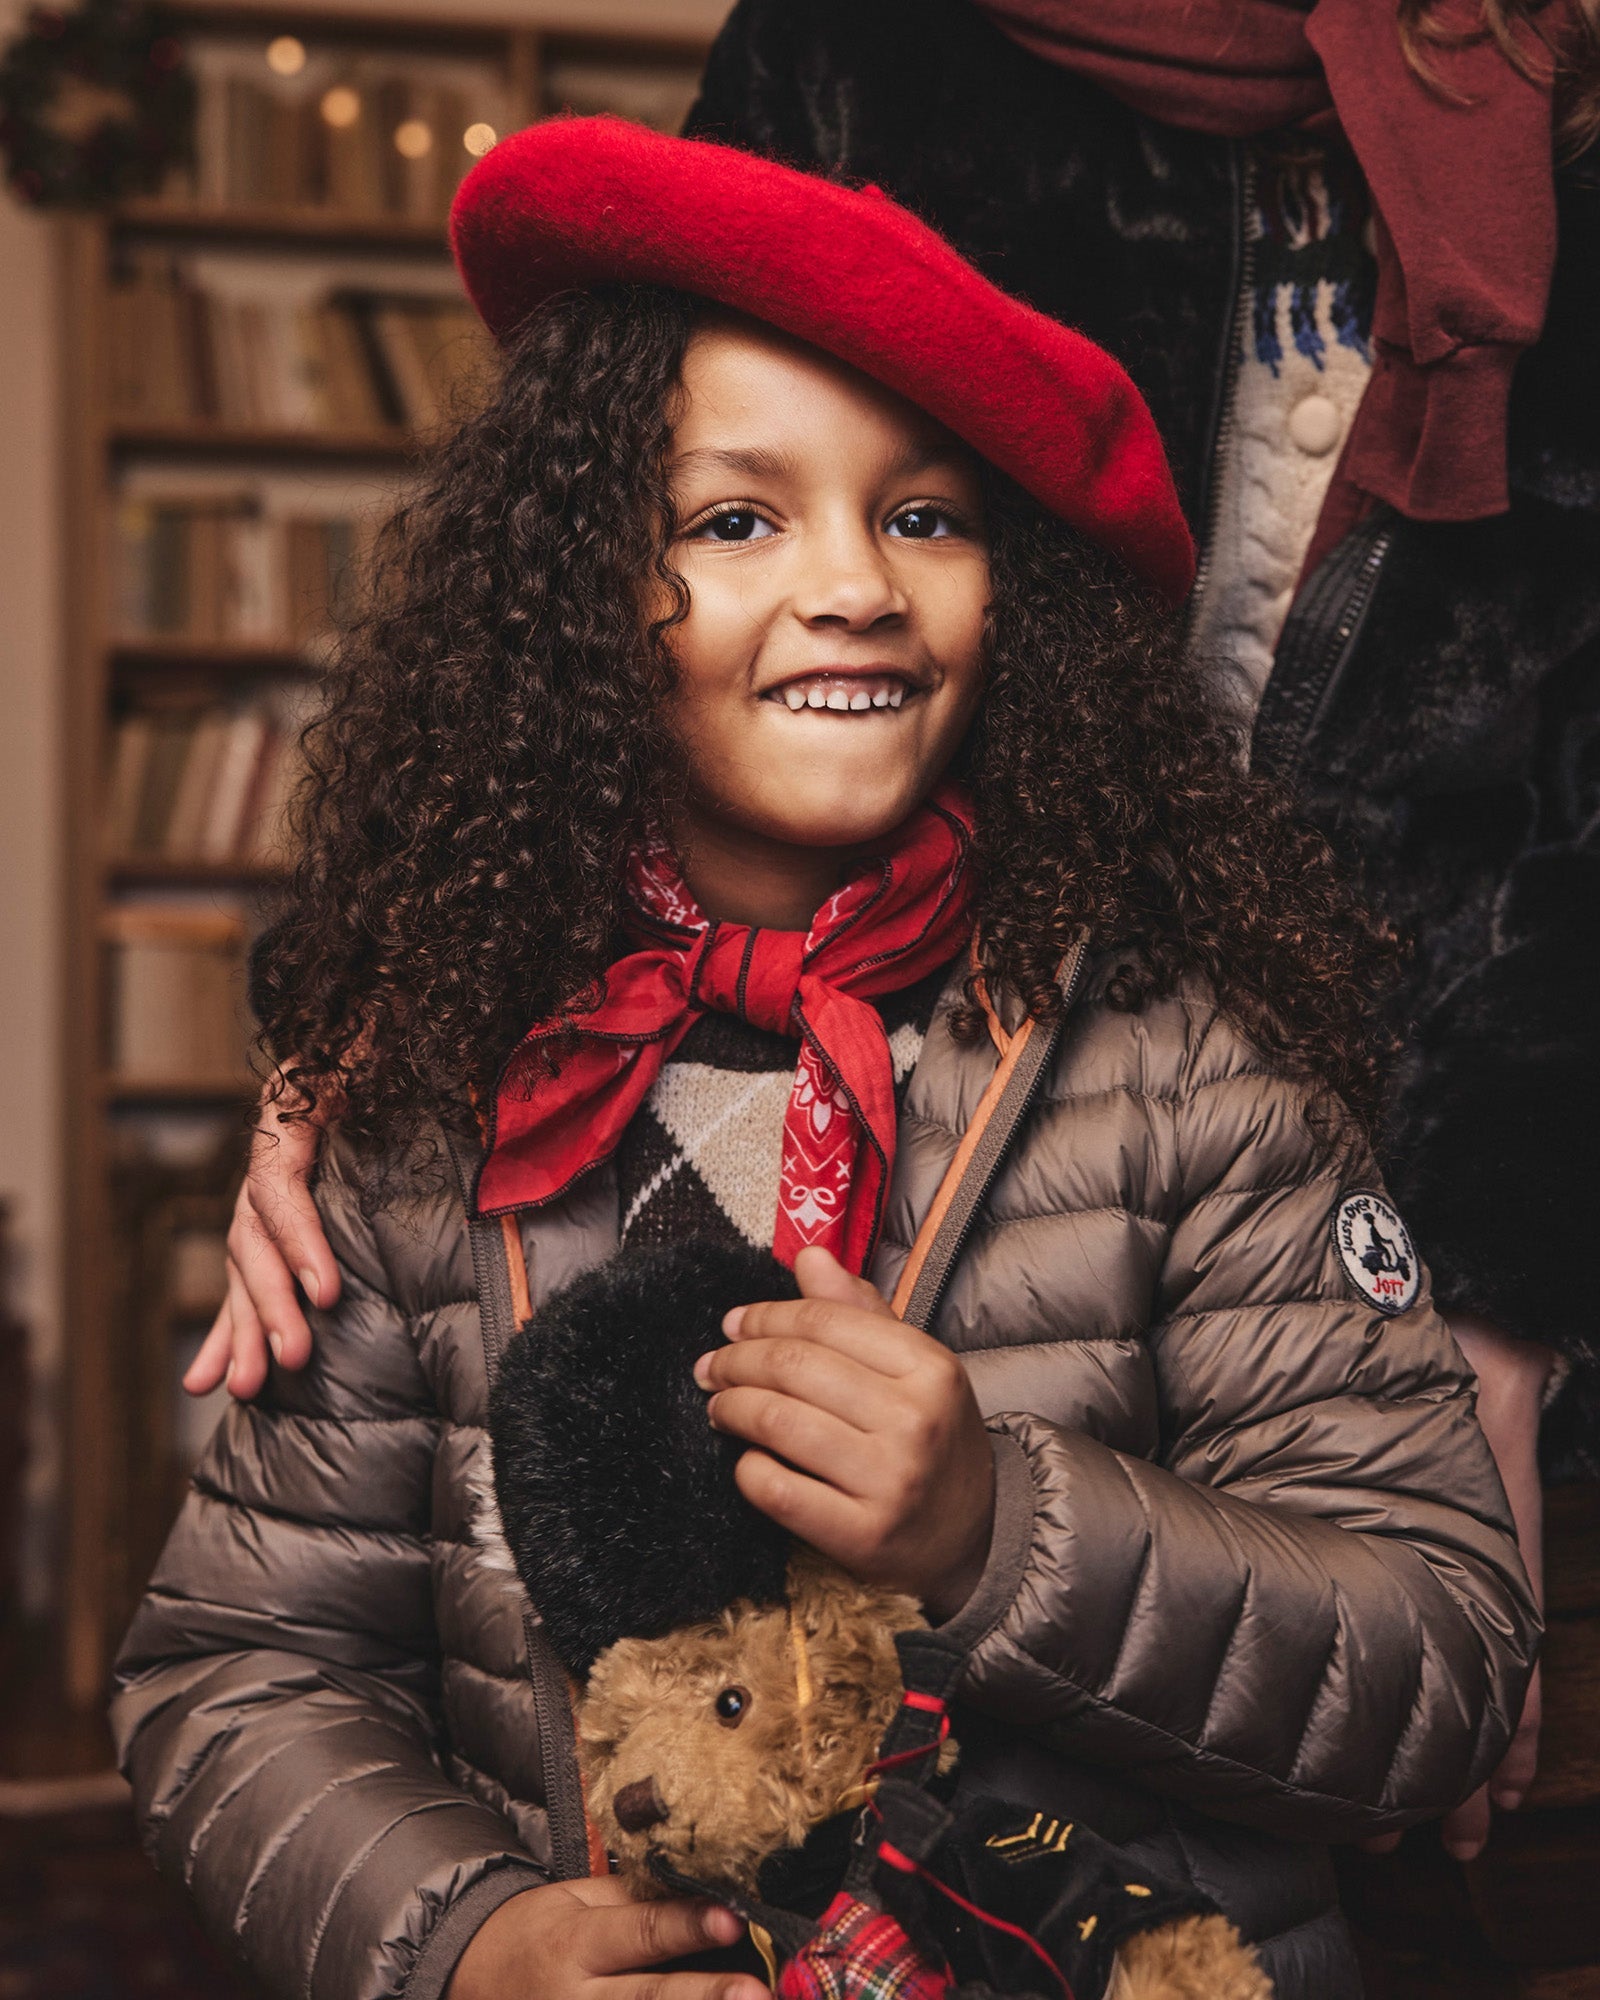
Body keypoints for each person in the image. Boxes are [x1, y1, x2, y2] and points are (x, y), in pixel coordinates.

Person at [120, 120, 1536, 2000]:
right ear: (573, 594)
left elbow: (1438, 1670)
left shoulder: (1198, 1073)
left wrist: (994, 1523)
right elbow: (239, 1671)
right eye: (735, 518)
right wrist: (469, 1943)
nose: (857, 585)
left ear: (1011, 595)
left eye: (927, 515)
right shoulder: (429, 1095)